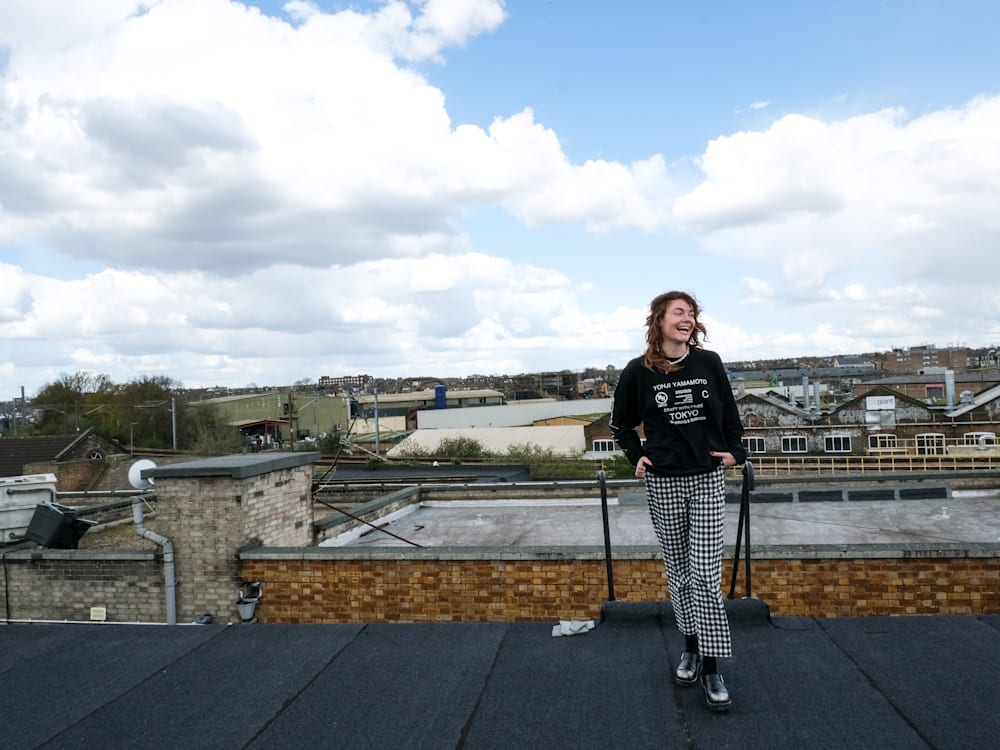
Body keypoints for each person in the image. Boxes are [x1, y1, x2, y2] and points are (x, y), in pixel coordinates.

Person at [610, 290, 746, 712]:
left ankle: (711, 668)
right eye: (679, 313)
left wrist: (736, 452)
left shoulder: (708, 363)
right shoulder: (638, 372)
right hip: (664, 482)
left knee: (705, 574)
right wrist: (638, 456)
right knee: (681, 573)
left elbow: (728, 414)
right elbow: (620, 425)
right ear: (660, 321)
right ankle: (689, 646)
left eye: (691, 313)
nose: (687, 319)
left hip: (706, 477)